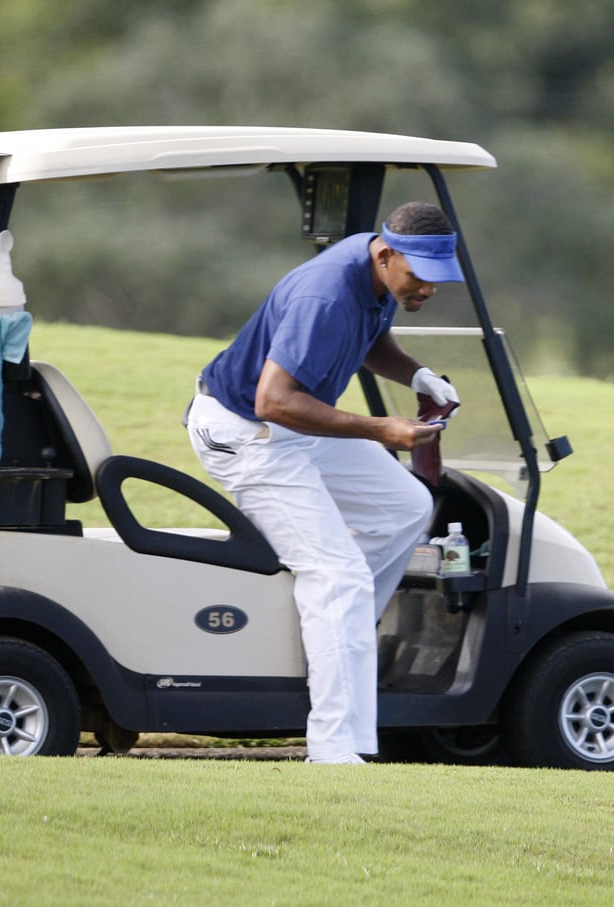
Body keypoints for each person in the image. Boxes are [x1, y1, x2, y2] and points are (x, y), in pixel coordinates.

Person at [184, 201, 462, 764]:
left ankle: (340, 627)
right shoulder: (325, 296)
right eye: (420, 277)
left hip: (292, 425)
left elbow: (373, 337)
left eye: (438, 279)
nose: (428, 290)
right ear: (385, 256)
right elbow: (273, 400)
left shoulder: (376, 266)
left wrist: (418, 374)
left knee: (406, 505)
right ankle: (333, 751)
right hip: (245, 432)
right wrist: (382, 427)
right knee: (337, 577)